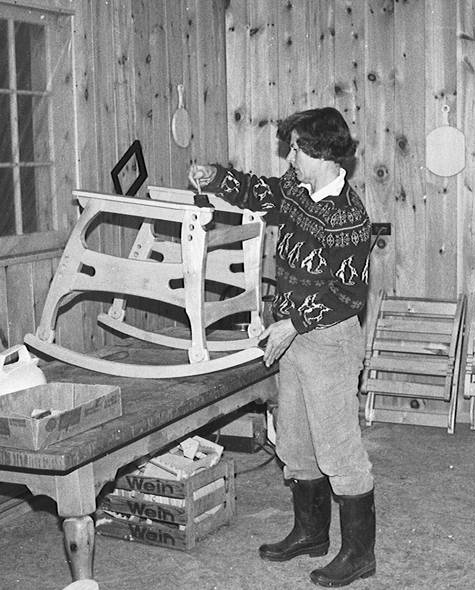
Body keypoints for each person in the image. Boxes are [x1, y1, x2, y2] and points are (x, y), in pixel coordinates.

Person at [188, 107, 376, 587]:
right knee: (295, 442)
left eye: (295, 150)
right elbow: (263, 192)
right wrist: (217, 178)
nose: (289, 158)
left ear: (321, 153)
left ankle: (359, 554)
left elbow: (348, 295)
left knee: (338, 449)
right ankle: (311, 534)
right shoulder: (297, 188)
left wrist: (292, 323)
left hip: (329, 341)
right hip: (292, 337)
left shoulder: (349, 218)